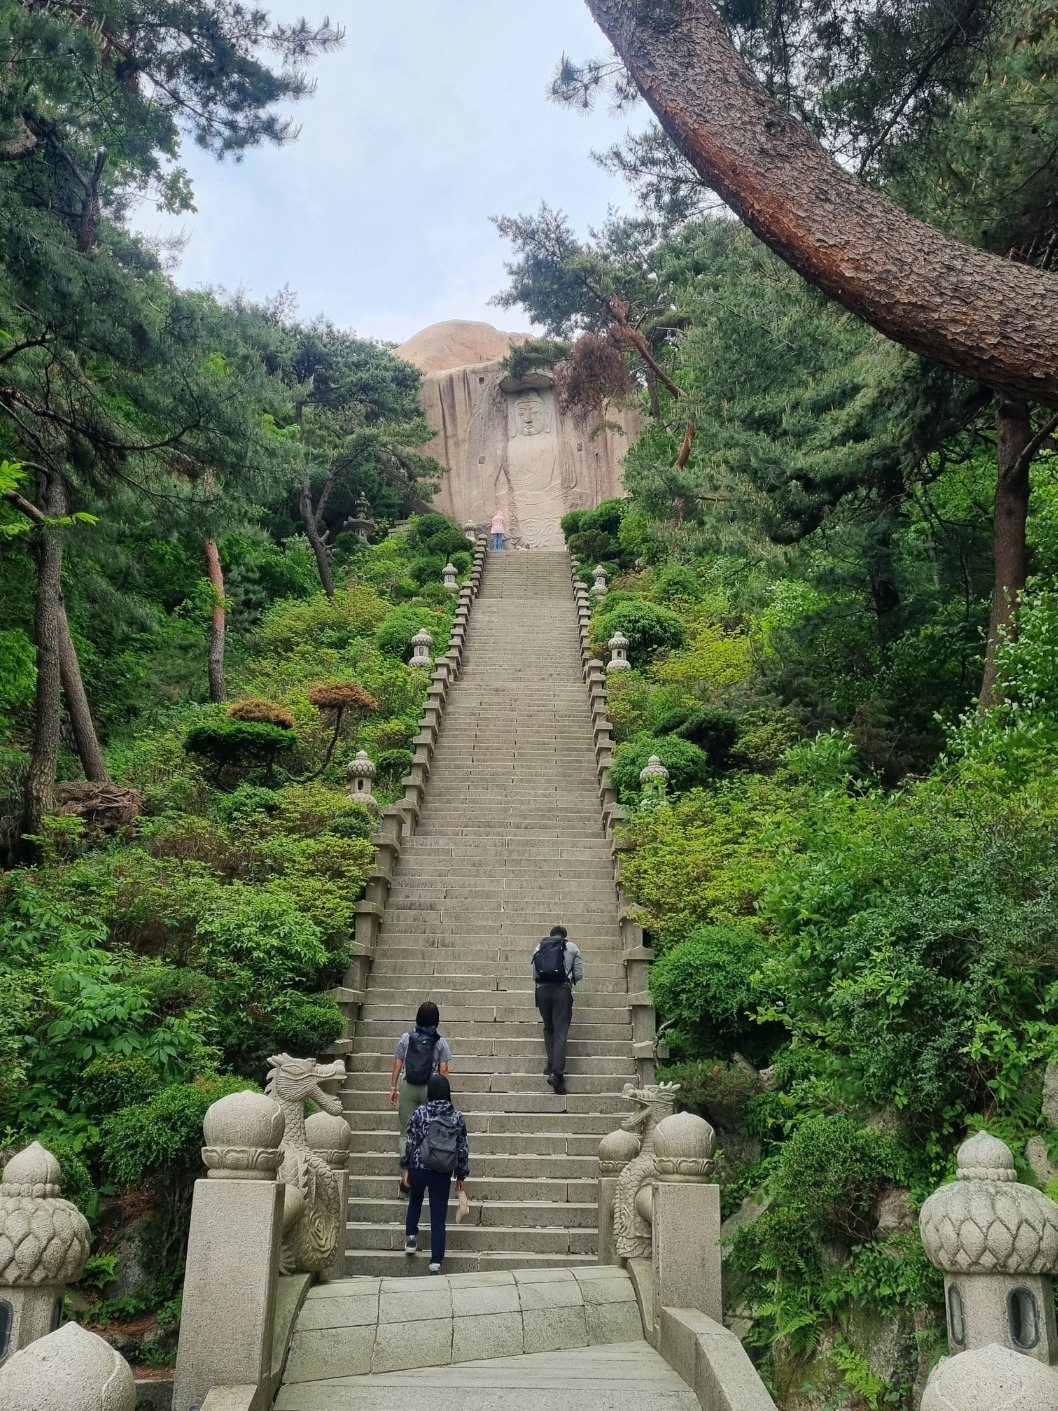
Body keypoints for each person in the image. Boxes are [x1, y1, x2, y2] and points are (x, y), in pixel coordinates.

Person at [401, 1073, 470, 1273]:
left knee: (415, 1200)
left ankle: (411, 1238)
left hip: (419, 1167)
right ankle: (436, 1262)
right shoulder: (456, 1117)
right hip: (442, 1171)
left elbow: (411, 1141)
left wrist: (406, 1167)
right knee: (438, 1217)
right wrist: (461, 1175)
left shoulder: (420, 1112)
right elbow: (463, 1148)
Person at [390, 1002, 451, 1196]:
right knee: (429, 1129)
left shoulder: (406, 1038)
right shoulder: (440, 1042)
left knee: (406, 1131)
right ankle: (426, 1170)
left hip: (408, 1086)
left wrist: (393, 1088)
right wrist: (445, 1097)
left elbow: (397, 1064)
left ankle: (406, 1174)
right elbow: (444, 1070)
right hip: (430, 1088)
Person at [532, 924, 583, 1095]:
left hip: (542, 991)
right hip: (561, 991)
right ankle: (557, 1074)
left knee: (549, 1028)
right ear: (565, 937)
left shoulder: (540, 947)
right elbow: (579, 975)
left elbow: (534, 975)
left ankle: (552, 1064)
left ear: (551, 936)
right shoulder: (572, 947)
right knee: (560, 1031)